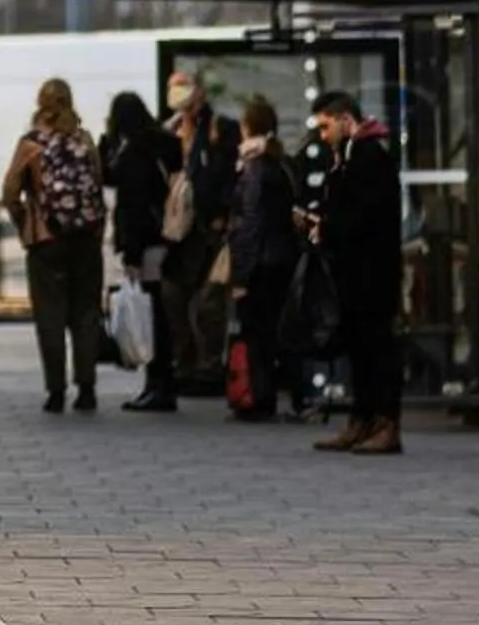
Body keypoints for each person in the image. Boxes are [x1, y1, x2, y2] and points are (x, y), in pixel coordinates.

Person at [3, 78, 106, 415]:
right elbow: (98, 185)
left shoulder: (30, 144)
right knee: (86, 314)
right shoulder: (85, 139)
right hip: (86, 239)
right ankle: (87, 388)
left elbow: (10, 193)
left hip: (46, 241)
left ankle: (56, 392)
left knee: (51, 316)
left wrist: (27, 224)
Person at [311, 89, 404, 456]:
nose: (323, 134)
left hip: (372, 271)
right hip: (353, 270)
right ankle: (362, 417)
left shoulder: (370, 157)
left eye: (326, 126)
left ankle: (384, 420)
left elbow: (364, 216)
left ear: (345, 120)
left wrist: (329, 227)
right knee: (359, 348)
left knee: (376, 346)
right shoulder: (347, 157)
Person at [101, 89, 179, 412]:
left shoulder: (135, 152)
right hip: (167, 237)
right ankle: (161, 382)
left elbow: (130, 202)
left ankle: (157, 383)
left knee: (151, 314)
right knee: (161, 313)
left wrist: (130, 254)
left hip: (145, 243)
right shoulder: (165, 143)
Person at [163, 68, 240, 388]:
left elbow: (224, 174)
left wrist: (222, 214)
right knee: (174, 296)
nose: (177, 92)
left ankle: (209, 364)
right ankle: (186, 360)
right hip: (178, 228)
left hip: (208, 225)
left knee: (209, 298)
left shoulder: (220, 129)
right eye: (173, 87)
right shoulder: (170, 130)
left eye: (183, 86)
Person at [227, 95, 299, 422]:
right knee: (275, 331)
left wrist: (241, 275)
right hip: (282, 257)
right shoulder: (281, 163)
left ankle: (260, 396)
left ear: (247, 128)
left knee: (256, 333)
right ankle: (289, 393)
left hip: (260, 262)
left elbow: (251, 222)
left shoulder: (253, 167)